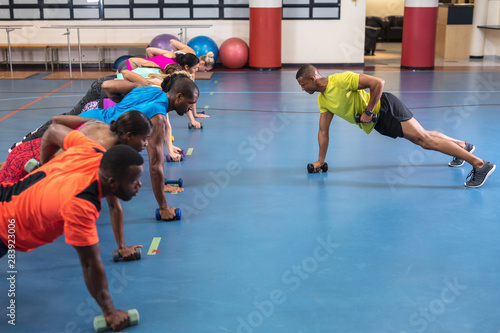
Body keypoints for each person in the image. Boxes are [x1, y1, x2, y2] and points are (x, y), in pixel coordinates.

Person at [0, 125, 144, 331]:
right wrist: (110, 312)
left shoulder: (93, 151)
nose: (139, 185)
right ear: (112, 182)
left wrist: (43, 164)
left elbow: (54, 130)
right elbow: (89, 264)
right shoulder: (81, 204)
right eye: (134, 181)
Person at [296, 64, 496, 188]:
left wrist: (368, 111)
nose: (302, 89)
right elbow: (323, 131)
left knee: (424, 141)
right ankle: (462, 146)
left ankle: (480, 164)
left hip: (386, 109)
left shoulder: (340, 80)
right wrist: (320, 161)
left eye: (303, 84)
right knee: (423, 135)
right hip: (380, 121)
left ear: (313, 78)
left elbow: (378, 83)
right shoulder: (323, 100)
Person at [80, 71, 199, 220]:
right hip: (94, 137)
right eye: (190, 103)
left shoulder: (152, 89)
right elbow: (155, 165)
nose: (190, 108)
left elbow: (108, 87)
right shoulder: (159, 118)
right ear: (179, 97)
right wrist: (164, 207)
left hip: (88, 118)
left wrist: (119, 109)